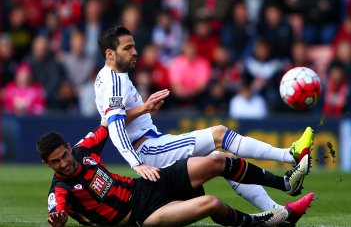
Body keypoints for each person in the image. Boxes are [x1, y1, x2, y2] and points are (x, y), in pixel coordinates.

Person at [95, 26, 314, 225]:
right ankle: (290, 157)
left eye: (134, 46)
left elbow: (112, 118)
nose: (135, 52)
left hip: (154, 143)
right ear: (110, 54)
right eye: (128, 48)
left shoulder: (108, 77)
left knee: (224, 157)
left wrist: (144, 108)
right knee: (219, 134)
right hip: (149, 151)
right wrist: (136, 164)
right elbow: (114, 125)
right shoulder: (114, 80)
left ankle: (277, 210)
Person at [37, 123, 312, 226]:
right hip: (141, 217)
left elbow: (109, 123)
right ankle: (265, 222)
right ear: (47, 164)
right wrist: (59, 221)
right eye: (55, 162)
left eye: (64, 156)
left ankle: (285, 183)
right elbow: (57, 211)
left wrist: (142, 109)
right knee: (212, 204)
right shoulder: (59, 190)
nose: (64, 164)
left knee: (218, 160)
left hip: (145, 184)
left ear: (69, 148)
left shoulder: (84, 150)